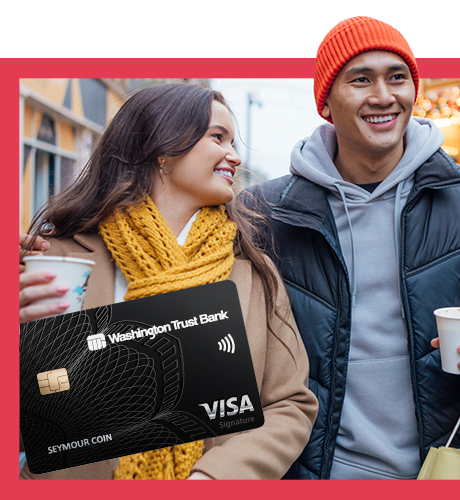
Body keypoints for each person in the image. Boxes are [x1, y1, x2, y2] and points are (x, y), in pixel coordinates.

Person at [246, 16, 460, 479]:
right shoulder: (265, 213)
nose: (383, 95)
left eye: (397, 77)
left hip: (448, 464)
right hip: (312, 469)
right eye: (361, 79)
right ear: (326, 101)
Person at [18, 83, 318, 480]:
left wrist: (214, 478)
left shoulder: (254, 273)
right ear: (162, 149)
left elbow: (290, 404)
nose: (234, 155)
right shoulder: (56, 258)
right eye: (218, 137)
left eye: (233, 140)